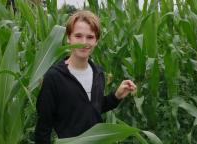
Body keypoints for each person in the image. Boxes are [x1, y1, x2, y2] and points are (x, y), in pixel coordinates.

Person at [35, 10, 136, 144]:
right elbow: (43, 128)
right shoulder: (54, 77)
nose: (84, 42)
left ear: (96, 41)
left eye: (90, 37)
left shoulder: (98, 73)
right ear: (68, 38)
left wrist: (116, 97)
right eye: (78, 36)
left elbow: (92, 109)